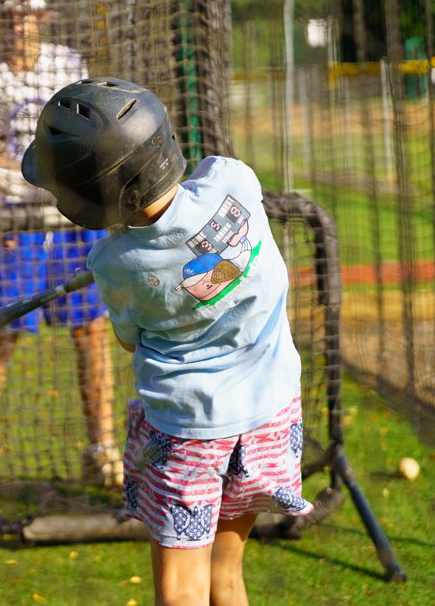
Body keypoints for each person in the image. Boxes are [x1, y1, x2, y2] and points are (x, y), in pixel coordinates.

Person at [21, 77, 314, 606]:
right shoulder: (235, 183)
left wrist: (130, 251)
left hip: (188, 436)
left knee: (181, 590)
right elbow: (197, 202)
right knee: (226, 577)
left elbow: (130, 340)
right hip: (270, 420)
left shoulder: (114, 264)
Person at [0, 0, 122, 512]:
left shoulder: (67, 66)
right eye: (8, 17)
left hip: (69, 221)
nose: (18, 26)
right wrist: (3, 216)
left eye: (26, 16)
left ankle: (102, 451)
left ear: (40, 18)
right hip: (15, 224)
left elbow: (89, 141)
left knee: (92, 332)